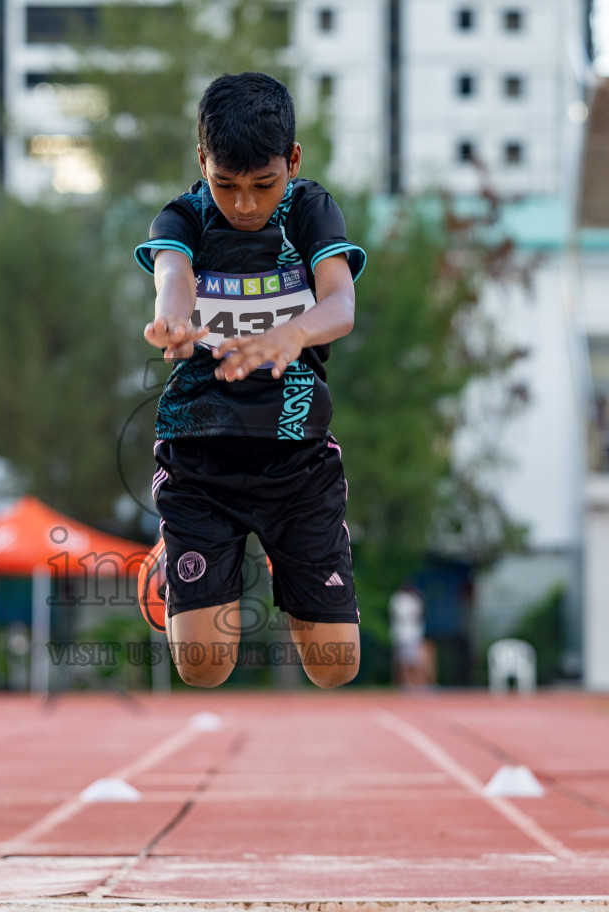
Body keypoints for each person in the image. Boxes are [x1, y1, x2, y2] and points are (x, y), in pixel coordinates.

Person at [135, 72, 362, 689]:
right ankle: (175, 555)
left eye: (262, 185)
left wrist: (292, 334)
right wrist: (172, 323)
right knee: (204, 670)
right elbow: (172, 278)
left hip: (297, 460)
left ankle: (284, 561)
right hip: (200, 462)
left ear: (291, 160)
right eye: (225, 185)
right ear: (202, 159)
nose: (244, 205)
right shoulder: (182, 218)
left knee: (335, 668)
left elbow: (339, 304)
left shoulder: (309, 210)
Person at [389, 582, 427, 687]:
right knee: (402, 661)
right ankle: (404, 683)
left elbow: (420, 615)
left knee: (415, 661)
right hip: (402, 634)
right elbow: (403, 615)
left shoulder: (414, 599)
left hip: (413, 634)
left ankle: (417, 683)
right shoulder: (399, 599)